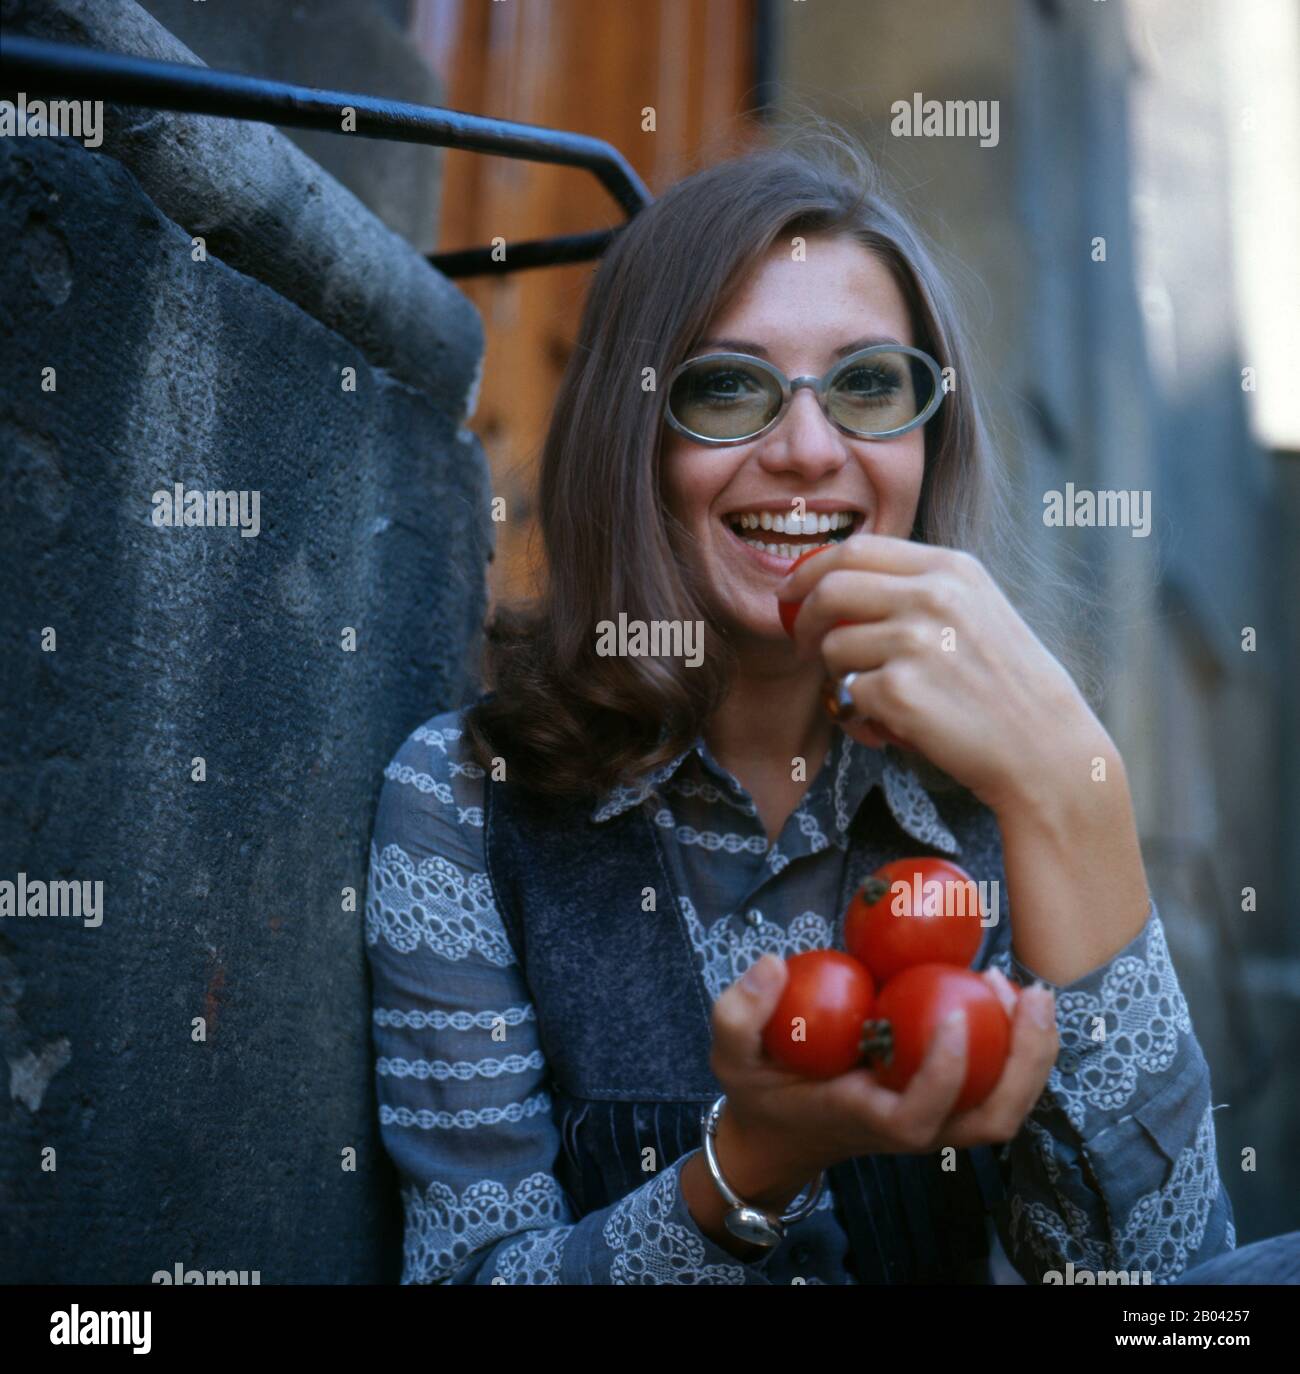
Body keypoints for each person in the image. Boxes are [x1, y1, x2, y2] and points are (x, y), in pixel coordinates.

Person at [363, 128, 1240, 1284]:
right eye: (729, 388)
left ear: (930, 437)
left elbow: (1176, 1299)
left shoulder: (1005, 788)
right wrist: (749, 1168)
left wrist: (1074, 785)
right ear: (635, 441)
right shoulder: (468, 801)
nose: (810, 450)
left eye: (870, 385)